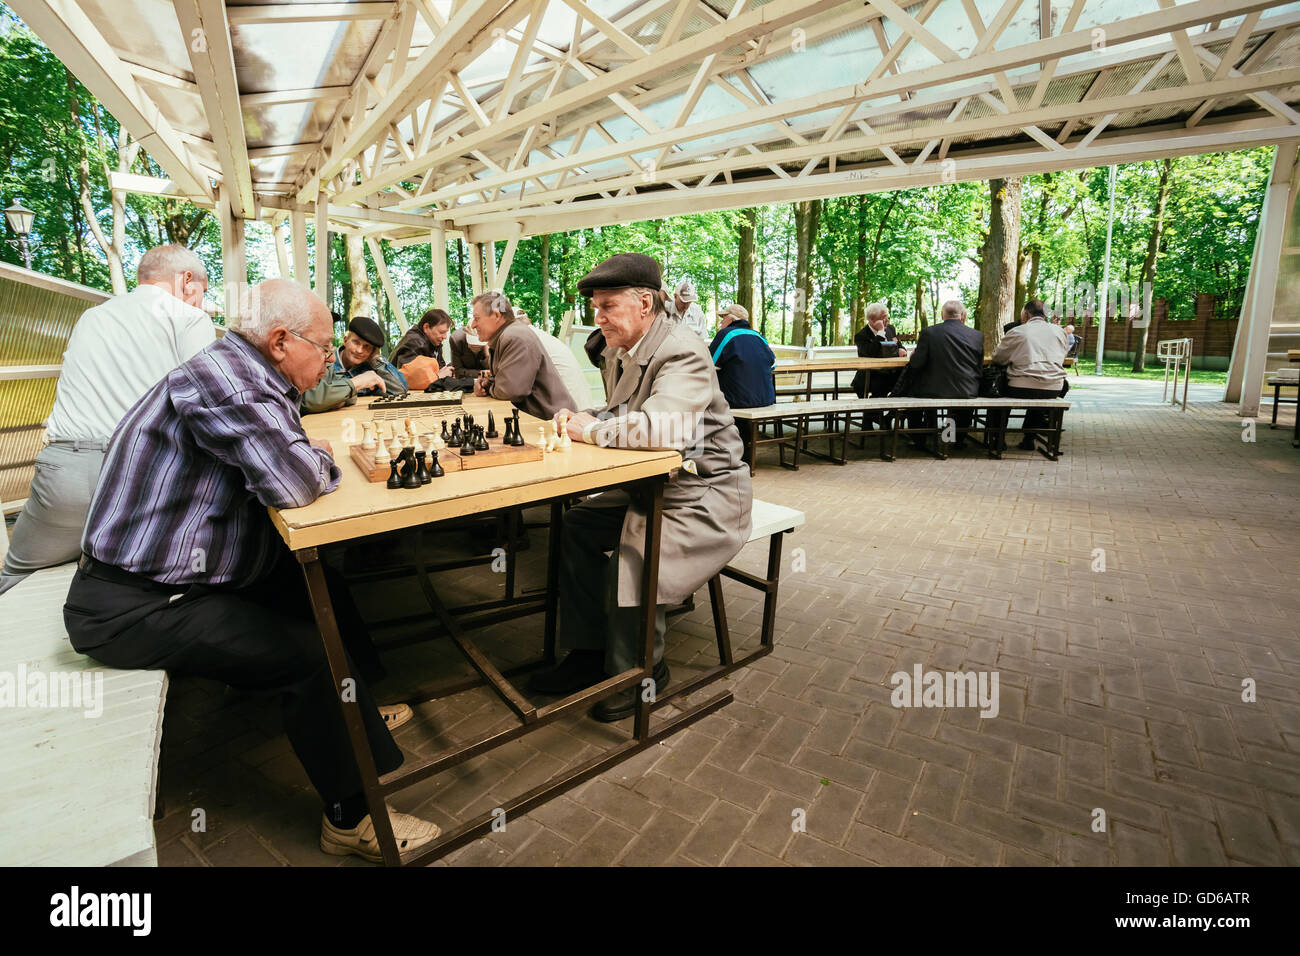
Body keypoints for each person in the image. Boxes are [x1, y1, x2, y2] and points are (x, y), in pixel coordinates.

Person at [61, 279, 440, 862]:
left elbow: (290, 454)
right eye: (324, 343)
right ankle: (350, 817)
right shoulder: (226, 380)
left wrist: (309, 458)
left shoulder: (245, 371)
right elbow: (294, 481)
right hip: (133, 604)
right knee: (305, 656)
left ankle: (357, 702)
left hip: (176, 575)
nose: (332, 354)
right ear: (282, 340)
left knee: (321, 585)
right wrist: (317, 461)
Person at [529, 253, 752, 722]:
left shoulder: (682, 350)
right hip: (654, 483)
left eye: (607, 305)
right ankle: (591, 652)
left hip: (706, 491)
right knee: (577, 525)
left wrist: (588, 431)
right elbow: (625, 412)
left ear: (645, 302)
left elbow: (662, 430)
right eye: (596, 305)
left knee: (635, 552)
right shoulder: (624, 347)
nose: (598, 316)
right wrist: (591, 417)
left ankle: (642, 670)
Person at [0, 244, 215, 595]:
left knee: (16, 574)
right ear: (186, 280)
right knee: (165, 580)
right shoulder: (189, 318)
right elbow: (206, 403)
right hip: (136, 477)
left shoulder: (93, 316)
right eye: (201, 294)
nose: (202, 304)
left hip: (63, 475)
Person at [469, 292, 576, 421]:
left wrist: (487, 387)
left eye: (477, 318)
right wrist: (488, 383)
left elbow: (508, 391)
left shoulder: (514, 337)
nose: (473, 325)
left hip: (553, 424)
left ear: (496, 315)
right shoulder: (504, 336)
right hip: (544, 419)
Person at [895, 299, 984, 449]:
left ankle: (919, 440)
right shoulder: (977, 335)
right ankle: (954, 438)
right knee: (960, 398)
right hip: (967, 389)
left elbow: (916, 363)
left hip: (932, 390)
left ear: (942, 315)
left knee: (912, 391)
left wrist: (914, 355)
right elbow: (978, 366)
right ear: (963, 315)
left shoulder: (929, 333)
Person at [991, 299, 1069, 450]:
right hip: (1054, 388)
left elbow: (998, 358)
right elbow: (1062, 356)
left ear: (1026, 315)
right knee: (1041, 392)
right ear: (1045, 316)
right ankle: (1029, 438)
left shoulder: (1018, 331)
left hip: (1020, 387)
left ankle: (998, 438)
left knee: (999, 390)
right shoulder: (1060, 332)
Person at [708, 303, 774, 464]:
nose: (721, 322)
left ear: (731, 319)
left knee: (709, 400)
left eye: (723, 318)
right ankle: (746, 454)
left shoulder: (726, 335)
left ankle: (720, 453)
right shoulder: (759, 337)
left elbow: (708, 362)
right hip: (765, 398)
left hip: (737, 400)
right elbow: (773, 363)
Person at [299, 315, 406, 413]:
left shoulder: (370, 368)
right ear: (345, 340)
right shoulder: (325, 360)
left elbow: (400, 391)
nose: (359, 350)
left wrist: (375, 359)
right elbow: (311, 399)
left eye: (367, 347)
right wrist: (354, 387)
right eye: (356, 342)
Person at [514, 307, 594, 409]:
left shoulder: (525, 338)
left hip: (568, 412)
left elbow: (516, 387)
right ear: (528, 320)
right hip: (582, 405)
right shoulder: (542, 336)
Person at [851, 302, 908, 414]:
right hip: (871, 376)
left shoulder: (891, 329)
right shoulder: (861, 336)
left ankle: (884, 417)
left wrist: (902, 350)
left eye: (887, 316)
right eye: (883, 317)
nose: (887, 320)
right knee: (882, 386)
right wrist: (881, 333)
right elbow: (871, 353)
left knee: (908, 382)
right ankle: (874, 418)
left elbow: (899, 345)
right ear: (872, 320)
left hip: (891, 374)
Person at [391, 307, 455, 372]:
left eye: (446, 333)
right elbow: (410, 376)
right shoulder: (414, 343)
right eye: (441, 332)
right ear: (426, 327)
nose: (445, 337)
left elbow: (440, 367)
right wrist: (438, 376)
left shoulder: (434, 343)